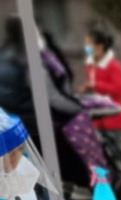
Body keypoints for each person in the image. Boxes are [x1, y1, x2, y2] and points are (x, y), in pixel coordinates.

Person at [0, 17, 103, 188]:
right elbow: (52, 98)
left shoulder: (6, 56)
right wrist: (78, 108)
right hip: (36, 125)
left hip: (13, 127)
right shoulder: (30, 60)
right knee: (71, 162)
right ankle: (86, 186)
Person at [83, 29, 121, 132]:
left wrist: (95, 85)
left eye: (88, 44)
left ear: (99, 47)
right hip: (97, 117)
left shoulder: (114, 66)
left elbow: (118, 89)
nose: (86, 47)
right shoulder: (90, 65)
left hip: (114, 116)